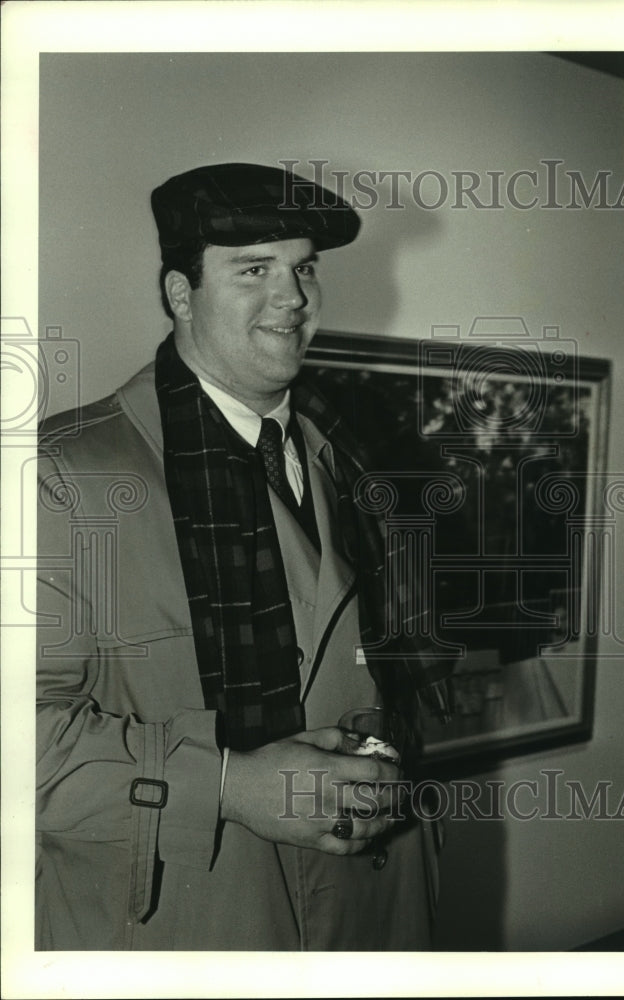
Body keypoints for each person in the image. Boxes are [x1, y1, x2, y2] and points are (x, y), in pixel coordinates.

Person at [35, 162, 453, 951]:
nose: (293, 296)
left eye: (302, 268)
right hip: (192, 929)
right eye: (254, 269)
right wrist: (228, 784)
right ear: (180, 294)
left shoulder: (359, 454)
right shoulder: (61, 477)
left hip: (373, 913)